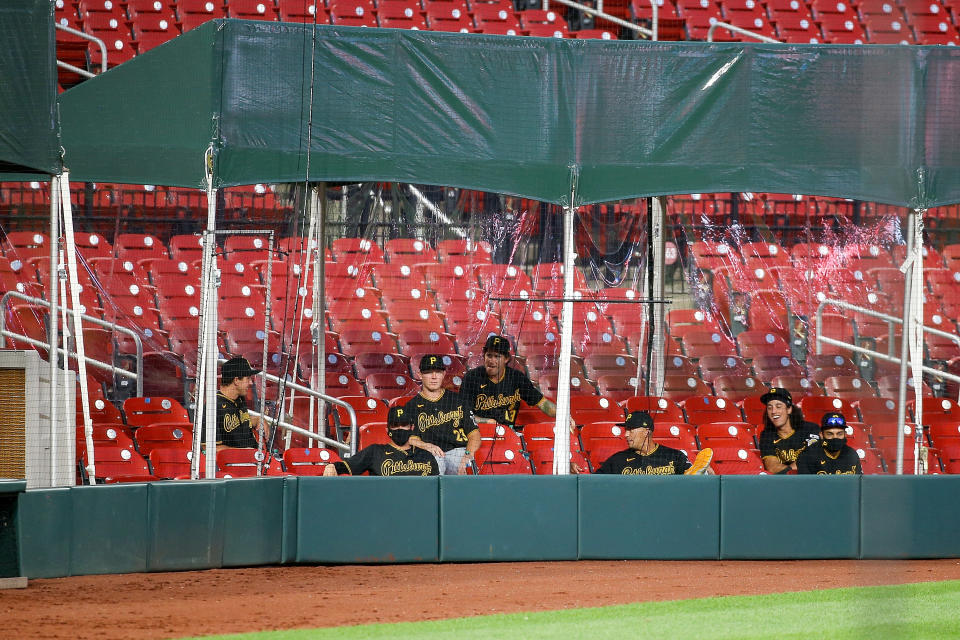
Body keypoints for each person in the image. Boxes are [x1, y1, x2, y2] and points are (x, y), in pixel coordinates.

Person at [460, 335, 565, 429]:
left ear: (506, 359)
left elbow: (543, 404)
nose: (491, 360)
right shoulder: (472, 378)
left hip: (508, 434)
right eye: (489, 355)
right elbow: (463, 414)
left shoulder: (516, 377)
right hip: (479, 433)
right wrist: (487, 421)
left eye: (497, 356)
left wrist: (563, 416)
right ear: (484, 355)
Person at [406, 354, 480, 475]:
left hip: (458, 451)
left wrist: (468, 455)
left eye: (438, 372)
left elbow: (474, 434)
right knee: (434, 464)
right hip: (431, 453)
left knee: (470, 467)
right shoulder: (412, 406)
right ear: (420, 375)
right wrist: (426, 446)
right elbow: (410, 439)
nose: (434, 377)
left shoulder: (457, 400)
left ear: (444, 374)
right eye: (429, 372)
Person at [323, 405, 440, 476]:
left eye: (404, 425)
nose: (400, 429)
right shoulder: (374, 452)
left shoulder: (425, 456)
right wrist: (332, 466)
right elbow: (347, 465)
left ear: (412, 428)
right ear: (387, 429)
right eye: (395, 425)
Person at [596, 410, 713, 475]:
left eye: (630, 430)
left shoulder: (674, 456)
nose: (626, 434)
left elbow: (692, 484)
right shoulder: (617, 460)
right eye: (626, 430)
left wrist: (708, 479)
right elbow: (592, 484)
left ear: (646, 432)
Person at [757, 386, 820, 474]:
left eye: (778, 406)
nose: (773, 411)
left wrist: (788, 468)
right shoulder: (767, 436)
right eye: (769, 407)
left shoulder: (810, 429)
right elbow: (772, 468)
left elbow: (814, 461)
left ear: (789, 409)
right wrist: (795, 467)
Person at [216, 356, 263, 450]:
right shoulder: (214, 407)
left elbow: (240, 422)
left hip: (252, 458)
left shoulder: (239, 398)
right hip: (231, 462)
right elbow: (209, 448)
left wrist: (259, 419)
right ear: (236, 380)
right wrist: (243, 452)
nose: (251, 383)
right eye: (248, 378)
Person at [796, 412, 863, 475]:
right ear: (821, 435)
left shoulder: (852, 454)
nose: (835, 437)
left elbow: (859, 484)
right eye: (829, 434)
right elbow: (805, 485)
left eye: (839, 434)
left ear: (845, 435)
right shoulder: (807, 456)